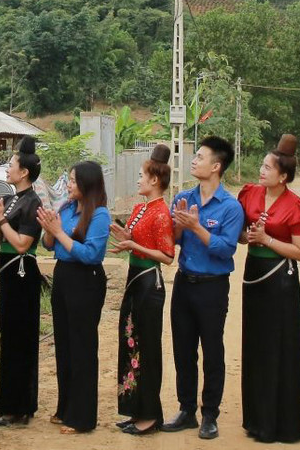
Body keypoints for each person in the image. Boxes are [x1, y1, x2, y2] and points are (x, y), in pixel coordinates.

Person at [163, 135, 244, 441]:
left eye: (200, 156)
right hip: (185, 282)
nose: (194, 160)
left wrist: (197, 227)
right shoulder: (184, 197)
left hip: (212, 287)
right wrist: (181, 227)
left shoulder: (231, 207)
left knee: (212, 350)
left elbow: (225, 249)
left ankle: (209, 413)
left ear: (216, 166)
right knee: (183, 350)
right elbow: (174, 241)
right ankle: (186, 410)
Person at [237, 133, 300, 444]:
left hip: (280, 280)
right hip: (254, 275)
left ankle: (281, 424)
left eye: (268, 167)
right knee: (254, 346)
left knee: (279, 347)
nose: (261, 170)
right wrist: (248, 237)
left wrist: (267, 240)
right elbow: (240, 235)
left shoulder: (297, 206)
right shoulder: (249, 194)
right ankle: (256, 419)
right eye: (262, 165)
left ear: (283, 176)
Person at [38, 160, 111, 435]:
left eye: (72, 180)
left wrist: (58, 233)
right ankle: (65, 406)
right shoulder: (67, 208)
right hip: (64, 276)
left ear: (87, 184)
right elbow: (49, 245)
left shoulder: (100, 215)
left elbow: (90, 254)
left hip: (86, 280)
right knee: (65, 345)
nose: (67, 184)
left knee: (82, 347)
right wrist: (49, 229)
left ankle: (82, 417)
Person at [111, 144, 176, 436]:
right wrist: (126, 236)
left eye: (141, 175)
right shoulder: (140, 208)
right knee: (130, 342)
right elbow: (138, 240)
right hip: (135, 280)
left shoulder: (162, 212)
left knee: (147, 348)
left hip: (150, 282)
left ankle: (150, 416)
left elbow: (167, 255)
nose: (137, 180)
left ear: (155, 180)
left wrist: (133, 245)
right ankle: (135, 409)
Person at [0, 138, 44, 427]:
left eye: (11, 165)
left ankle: (20, 406)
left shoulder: (33, 202)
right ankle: (6, 402)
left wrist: (2, 221)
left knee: (21, 340)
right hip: (8, 274)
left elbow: (22, 244)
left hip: (23, 276)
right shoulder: (8, 200)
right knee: (6, 339)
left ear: (24, 173)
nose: (7, 168)